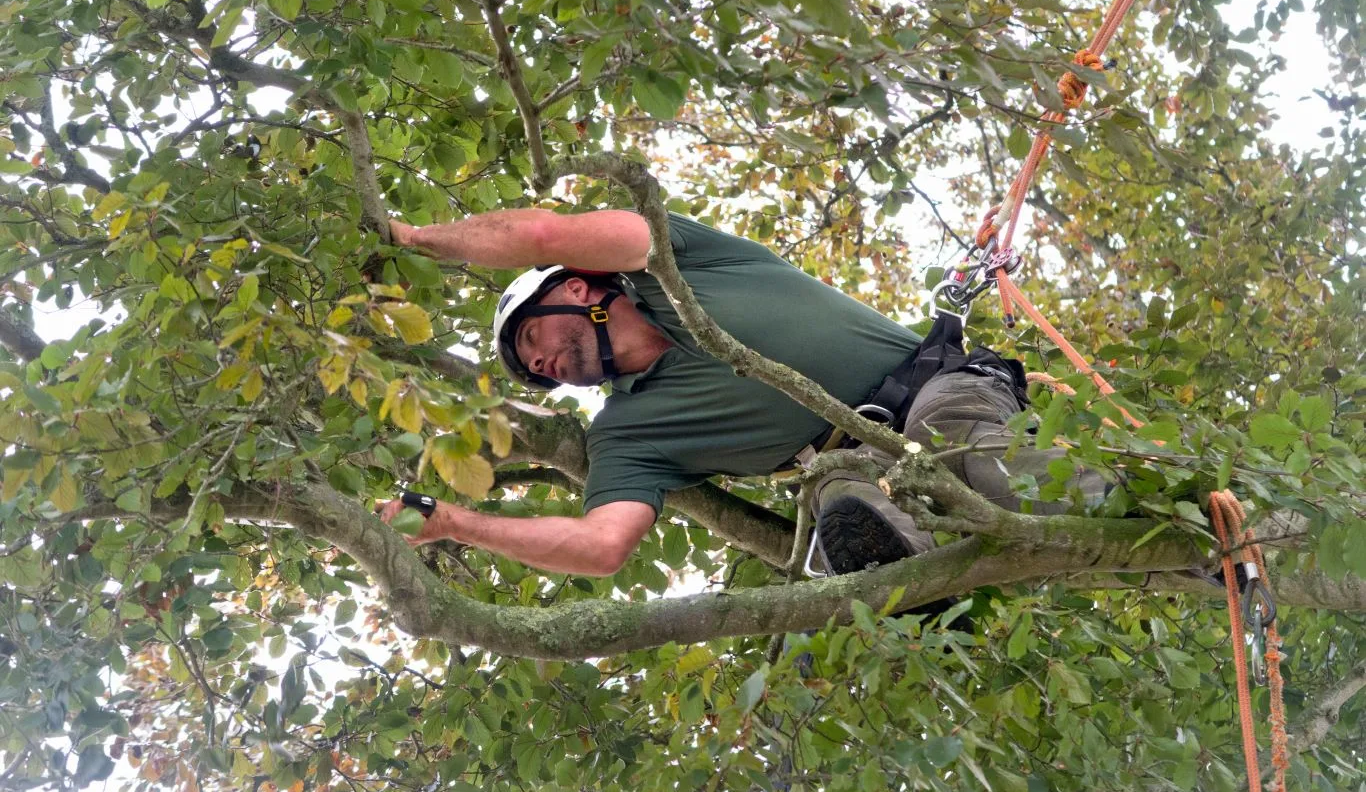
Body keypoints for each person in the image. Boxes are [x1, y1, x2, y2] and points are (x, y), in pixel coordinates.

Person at [374, 206, 1106, 577]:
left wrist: (413, 239)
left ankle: (1188, 529)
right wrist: (455, 524)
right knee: (847, 522)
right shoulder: (626, 434)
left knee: (975, 459)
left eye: (536, 339)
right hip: (847, 460)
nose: (547, 365)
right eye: (536, 372)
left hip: (934, 387)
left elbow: (540, 231)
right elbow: (601, 546)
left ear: (574, 287)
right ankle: (918, 583)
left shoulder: (674, 259)